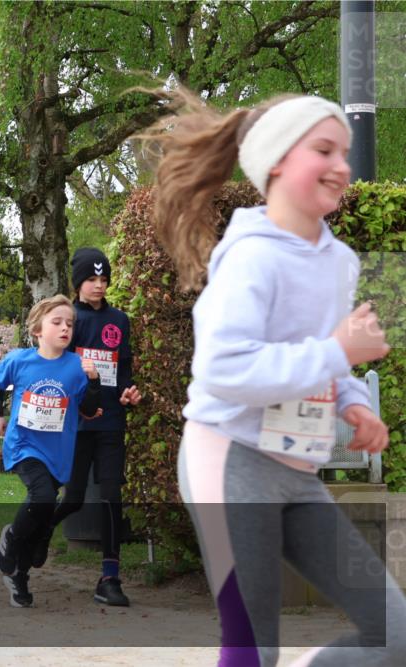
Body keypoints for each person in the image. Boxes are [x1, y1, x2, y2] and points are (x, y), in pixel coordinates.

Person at [147, 90, 406, 666]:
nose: (342, 166)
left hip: (298, 471)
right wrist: (339, 350)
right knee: (251, 648)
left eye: (345, 151)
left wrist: (353, 404)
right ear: (277, 161)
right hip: (229, 461)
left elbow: (318, 354)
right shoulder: (250, 257)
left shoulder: (339, 261)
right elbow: (224, 370)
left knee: (396, 637)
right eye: (324, 149)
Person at [0, 294, 100, 607]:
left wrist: (94, 381)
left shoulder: (78, 366)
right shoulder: (19, 360)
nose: (65, 328)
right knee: (42, 498)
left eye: (69, 323)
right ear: (38, 330)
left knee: (41, 511)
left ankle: (19, 574)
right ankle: (11, 539)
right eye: (57, 322)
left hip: (59, 451)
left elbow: (90, 409)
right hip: (24, 446)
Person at [48, 246, 142, 607]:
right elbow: (53, 366)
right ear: (77, 284)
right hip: (76, 424)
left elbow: (124, 369)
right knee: (71, 498)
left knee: (111, 496)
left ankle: (110, 577)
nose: (99, 286)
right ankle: (36, 535)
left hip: (111, 424)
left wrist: (128, 392)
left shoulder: (119, 320)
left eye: (103, 279)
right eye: (91, 279)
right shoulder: (68, 320)